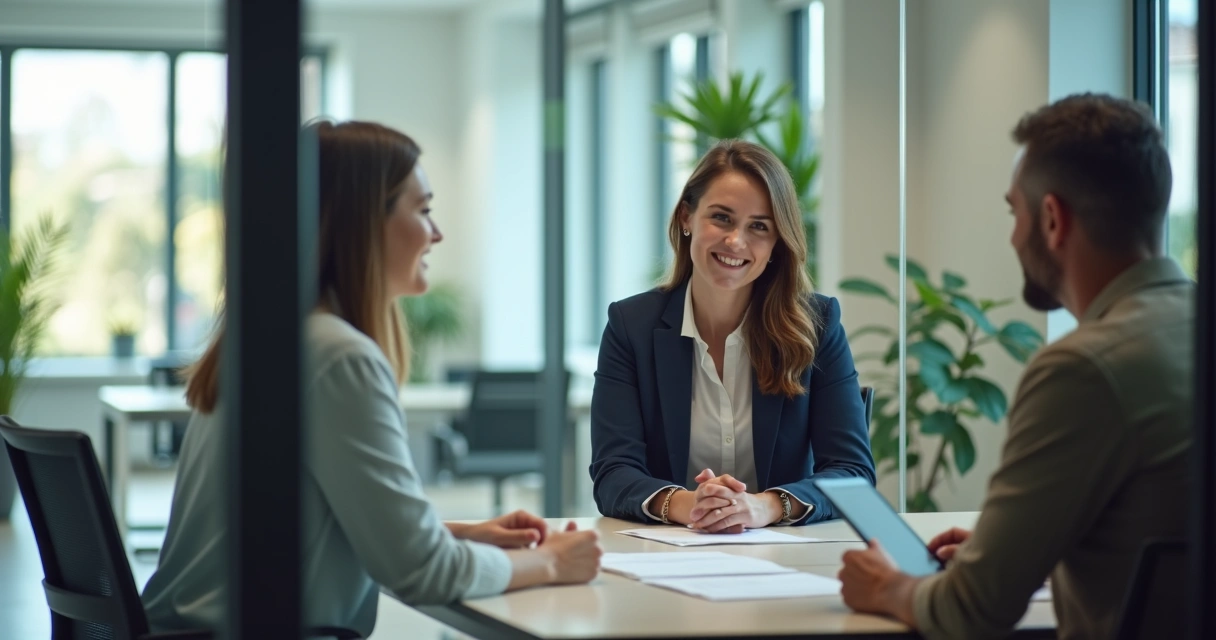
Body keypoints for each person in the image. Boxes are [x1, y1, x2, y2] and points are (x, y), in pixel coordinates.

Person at [142, 121, 602, 636]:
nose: (437, 232)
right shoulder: (336, 357)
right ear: (363, 222)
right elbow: (422, 572)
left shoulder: (270, 341)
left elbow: (315, 528)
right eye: (423, 210)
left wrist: (459, 534)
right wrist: (554, 562)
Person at [837, 93, 1193, 640]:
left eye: (1014, 212)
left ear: (1052, 219)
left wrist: (886, 586)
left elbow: (973, 612)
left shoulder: (1084, 370)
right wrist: (1018, 550)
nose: (1011, 234)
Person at [589, 139, 876, 532]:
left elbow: (852, 473)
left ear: (778, 242)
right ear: (686, 217)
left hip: (786, 559)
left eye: (759, 226)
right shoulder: (630, 326)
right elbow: (613, 473)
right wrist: (690, 503)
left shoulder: (818, 324)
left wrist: (764, 507)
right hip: (665, 556)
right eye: (721, 218)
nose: (736, 241)